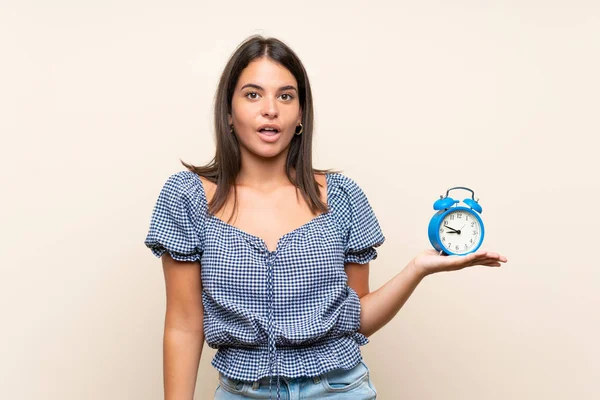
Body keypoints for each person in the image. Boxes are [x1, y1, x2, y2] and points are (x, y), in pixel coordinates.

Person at [143, 35, 507, 400]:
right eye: (253, 94)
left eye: (285, 96)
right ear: (228, 110)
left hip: (340, 390)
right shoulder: (186, 198)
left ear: (300, 114)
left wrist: (417, 269)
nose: (270, 109)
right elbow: (184, 325)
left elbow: (358, 317)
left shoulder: (342, 197)